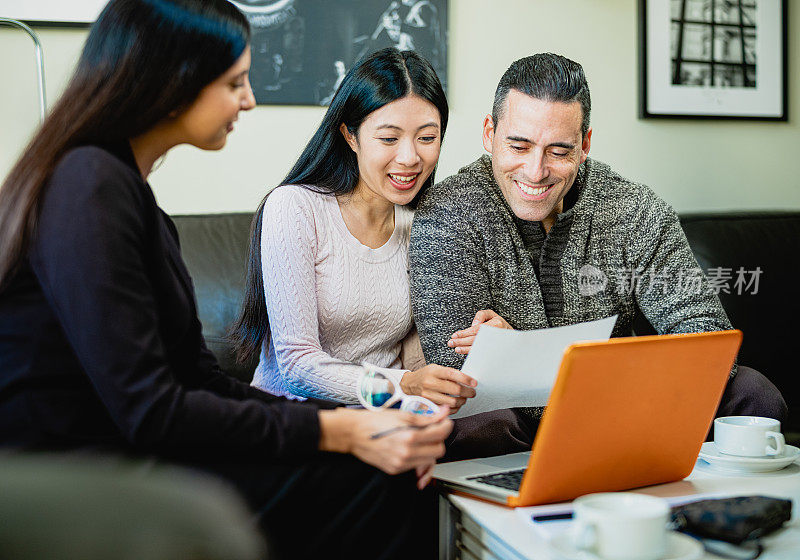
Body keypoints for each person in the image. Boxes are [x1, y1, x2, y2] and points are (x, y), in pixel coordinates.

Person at [0, 2, 452, 558]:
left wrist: (346, 424)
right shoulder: (89, 184)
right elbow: (152, 409)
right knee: (376, 479)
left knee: (384, 463)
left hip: (139, 447)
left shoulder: (128, 195)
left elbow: (199, 378)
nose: (249, 99)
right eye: (235, 82)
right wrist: (340, 431)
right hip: (73, 471)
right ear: (173, 80)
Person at [409, 53, 786, 439]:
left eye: (558, 151)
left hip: (625, 405)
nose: (536, 172)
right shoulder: (448, 212)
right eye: (519, 147)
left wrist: (519, 351)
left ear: (585, 143)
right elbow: (454, 368)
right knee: (477, 421)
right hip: (517, 423)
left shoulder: (634, 210)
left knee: (754, 395)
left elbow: (709, 341)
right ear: (490, 133)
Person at [234, 47, 478, 414]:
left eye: (427, 138)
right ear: (350, 136)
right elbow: (297, 366)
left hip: (387, 420)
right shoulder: (295, 207)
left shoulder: (423, 225)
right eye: (389, 138)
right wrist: (403, 386)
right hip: (293, 421)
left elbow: (413, 358)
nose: (410, 157)